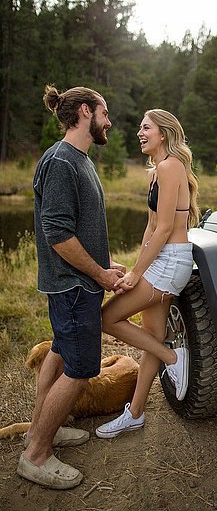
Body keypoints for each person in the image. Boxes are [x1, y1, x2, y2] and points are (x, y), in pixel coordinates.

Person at [17, 85, 126, 490]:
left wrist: (103, 264)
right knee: (80, 369)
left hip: (78, 282)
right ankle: (36, 455)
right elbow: (58, 233)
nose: (109, 122)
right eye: (105, 113)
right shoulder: (62, 161)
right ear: (85, 111)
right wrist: (98, 275)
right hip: (73, 287)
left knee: (61, 353)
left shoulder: (78, 159)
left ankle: (39, 429)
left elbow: (79, 228)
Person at [95, 109, 199, 439]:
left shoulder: (171, 167)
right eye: (140, 127)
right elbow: (151, 226)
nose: (140, 132)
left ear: (164, 134)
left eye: (146, 127)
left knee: (108, 319)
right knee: (151, 338)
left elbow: (167, 227)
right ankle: (135, 414)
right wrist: (136, 267)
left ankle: (173, 357)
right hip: (159, 260)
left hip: (172, 261)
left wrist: (138, 275)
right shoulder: (156, 171)